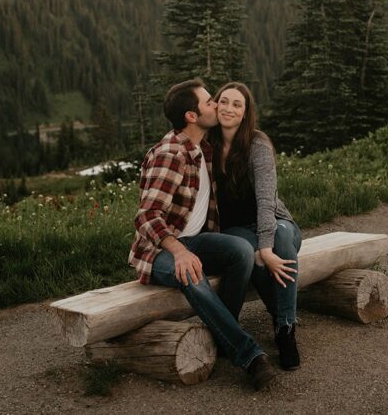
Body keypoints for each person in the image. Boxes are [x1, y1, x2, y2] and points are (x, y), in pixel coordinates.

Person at [128, 78, 276, 390]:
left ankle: (225, 335)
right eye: (210, 102)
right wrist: (179, 252)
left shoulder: (204, 149)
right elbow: (147, 216)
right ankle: (248, 354)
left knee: (240, 251)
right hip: (160, 251)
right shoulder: (170, 153)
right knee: (191, 272)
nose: (218, 105)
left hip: (193, 241)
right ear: (192, 116)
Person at [209, 81, 302, 370]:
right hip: (235, 229)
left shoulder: (257, 144)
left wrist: (265, 246)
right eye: (224, 101)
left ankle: (286, 329)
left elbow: (266, 200)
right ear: (215, 104)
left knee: (281, 242)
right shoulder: (207, 144)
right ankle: (279, 315)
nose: (229, 109)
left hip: (276, 221)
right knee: (254, 257)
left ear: (246, 112)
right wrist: (261, 251)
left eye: (237, 104)